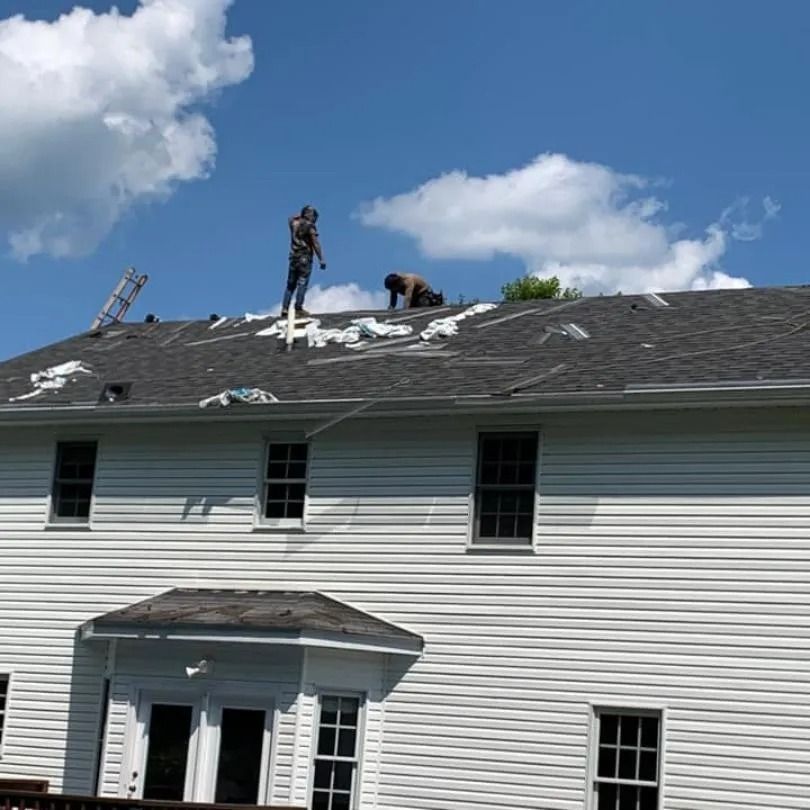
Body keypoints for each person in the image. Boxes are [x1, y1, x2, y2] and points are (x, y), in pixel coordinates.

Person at [281, 205, 326, 317]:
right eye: (314, 217)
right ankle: (298, 308)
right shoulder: (310, 226)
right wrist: (321, 259)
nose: (314, 220)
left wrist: (300, 215)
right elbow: (315, 243)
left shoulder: (293, 223)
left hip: (293, 257)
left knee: (290, 284)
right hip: (305, 257)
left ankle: (285, 308)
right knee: (302, 282)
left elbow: (290, 218)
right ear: (310, 215)